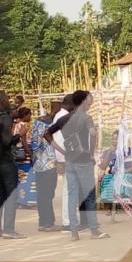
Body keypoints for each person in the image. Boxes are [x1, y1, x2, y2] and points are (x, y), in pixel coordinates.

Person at [45, 90, 109, 242]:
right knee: (89, 195)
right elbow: (92, 135)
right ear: (83, 102)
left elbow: (47, 133)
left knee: (72, 195)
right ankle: (94, 230)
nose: (90, 104)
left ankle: (74, 232)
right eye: (89, 101)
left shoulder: (64, 118)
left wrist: (61, 150)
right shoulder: (86, 118)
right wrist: (91, 154)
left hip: (70, 160)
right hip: (83, 160)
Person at [0, 91, 25, 239]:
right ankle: (9, 230)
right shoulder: (4, 118)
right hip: (5, 160)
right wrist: (19, 134)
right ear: (2, 101)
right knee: (11, 194)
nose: (9, 101)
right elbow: (6, 141)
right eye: (7, 99)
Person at [30, 102, 59, 232]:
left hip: (39, 164)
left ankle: (44, 222)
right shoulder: (52, 125)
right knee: (48, 194)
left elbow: (34, 143)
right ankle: (48, 223)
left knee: (42, 194)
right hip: (49, 164)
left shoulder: (37, 122)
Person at [52, 94, 74, 232]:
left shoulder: (62, 115)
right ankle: (67, 222)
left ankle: (70, 220)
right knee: (68, 190)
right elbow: (59, 141)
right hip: (67, 159)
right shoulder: (62, 117)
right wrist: (62, 160)